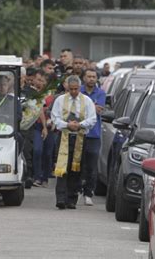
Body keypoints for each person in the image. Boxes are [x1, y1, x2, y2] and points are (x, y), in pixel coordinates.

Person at [51, 75, 96, 210]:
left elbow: (92, 119)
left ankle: (71, 199)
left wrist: (80, 125)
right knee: (62, 168)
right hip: (64, 136)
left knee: (76, 168)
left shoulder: (87, 101)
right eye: (71, 89)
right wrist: (67, 125)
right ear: (67, 88)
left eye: (76, 89)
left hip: (80, 137)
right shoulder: (60, 100)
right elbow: (55, 117)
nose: (74, 92)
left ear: (80, 87)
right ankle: (61, 198)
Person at [80, 69, 106, 206]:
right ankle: (76, 188)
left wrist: (85, 107)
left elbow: (99, 110)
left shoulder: (101, 93)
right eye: (89, 76)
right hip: (79, 132)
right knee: (78, 164)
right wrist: (91, 107)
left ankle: (88, 193)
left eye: (94, 77)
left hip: (94, 134)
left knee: (92, 165)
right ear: (84, 78)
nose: (91, 79)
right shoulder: (77, 90)